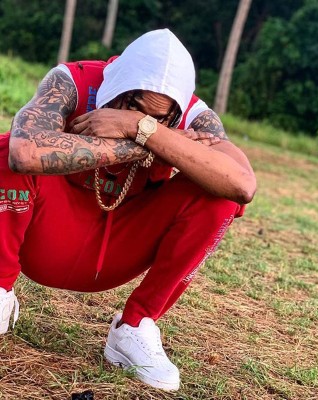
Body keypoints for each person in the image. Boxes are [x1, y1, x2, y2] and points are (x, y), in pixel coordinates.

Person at [0, 29, 256, 391]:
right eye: (133, 106)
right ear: (116, 84)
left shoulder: (194, 117)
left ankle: (136, 326)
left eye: (159, 118)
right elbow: (24, 152)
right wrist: (154, 142)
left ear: (175, 112)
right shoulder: (72, 81)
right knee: (6, 150)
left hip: (120, 245)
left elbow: (242, 185)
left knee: (219, 196)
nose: (144, 118)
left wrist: (139, 128)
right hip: (45, 231)